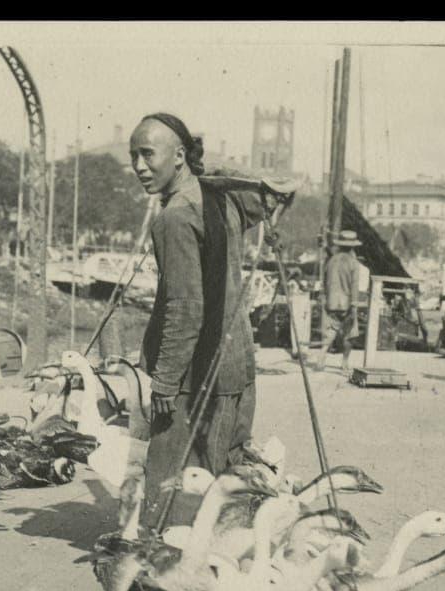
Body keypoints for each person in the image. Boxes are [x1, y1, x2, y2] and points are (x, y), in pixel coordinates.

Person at [128, 113, 292, 528]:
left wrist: (165, 380)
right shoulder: (222, 199)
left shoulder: (175, 217)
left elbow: (185, 309)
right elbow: (275, 196)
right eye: (133, 157)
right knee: (221, 481)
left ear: (179, 155)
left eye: (147, 154)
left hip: (194, 379)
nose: (139, 167)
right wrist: (222, 176)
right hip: (235, 370)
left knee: (175, 495)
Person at [315, 230, 363, 373]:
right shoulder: (354, 263)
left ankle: (321, 357)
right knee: (350, 334)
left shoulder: (331, 261)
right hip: (347, 303)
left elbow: (325, 282)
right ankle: (344, 363)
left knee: (331, 331)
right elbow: (354, 286)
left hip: (331, 302)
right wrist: (354, 305)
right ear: (353, 246)